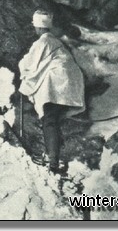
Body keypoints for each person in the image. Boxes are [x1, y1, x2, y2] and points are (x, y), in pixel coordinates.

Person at [18, 10, 86, 174]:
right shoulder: (58, 43)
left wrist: (24, 76)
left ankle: (53, 159)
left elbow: (28, 64)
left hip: (55, 84)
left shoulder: (41, 43)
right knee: (54, 118)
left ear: (39, 28)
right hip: (70, 83)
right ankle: (54, 154)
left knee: (49, 120)